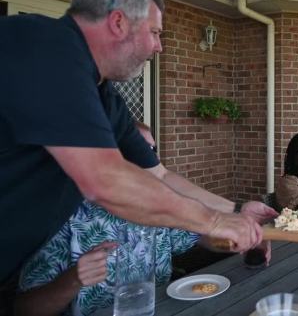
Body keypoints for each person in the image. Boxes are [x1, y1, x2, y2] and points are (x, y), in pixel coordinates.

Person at [0, 0, 276, 288]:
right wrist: (212, 221)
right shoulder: (45, 46)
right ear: (118, 22)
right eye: (155, 32)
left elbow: (160, 175)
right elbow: (104, 180)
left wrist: (236, 210)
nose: (159, 47)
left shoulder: (103, 95)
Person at [14, 123, 239, 316]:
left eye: (152, 150)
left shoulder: (160, 208)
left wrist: (240, 239)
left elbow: (202, 238)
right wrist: (72, 280)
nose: (149, 158)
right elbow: (25, 309)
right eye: (140, 150)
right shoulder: (65, 216)